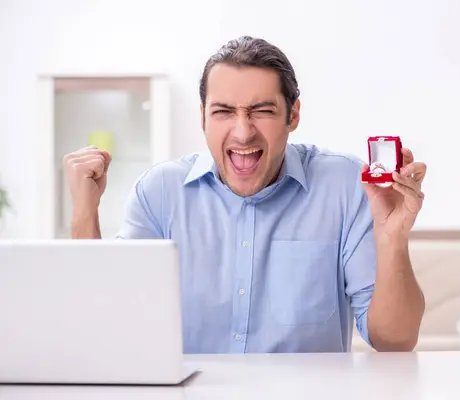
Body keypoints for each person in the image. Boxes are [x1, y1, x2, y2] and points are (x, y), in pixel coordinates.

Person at [63, 36, 427, 354]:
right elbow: (108, 328)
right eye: (223, 112)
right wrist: (84, 212)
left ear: (293, 114)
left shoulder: (345, 185)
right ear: (203, 116)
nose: (242, 132)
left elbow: (393, 341)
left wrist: (392, 237)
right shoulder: (159, 193)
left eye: (262, 111)